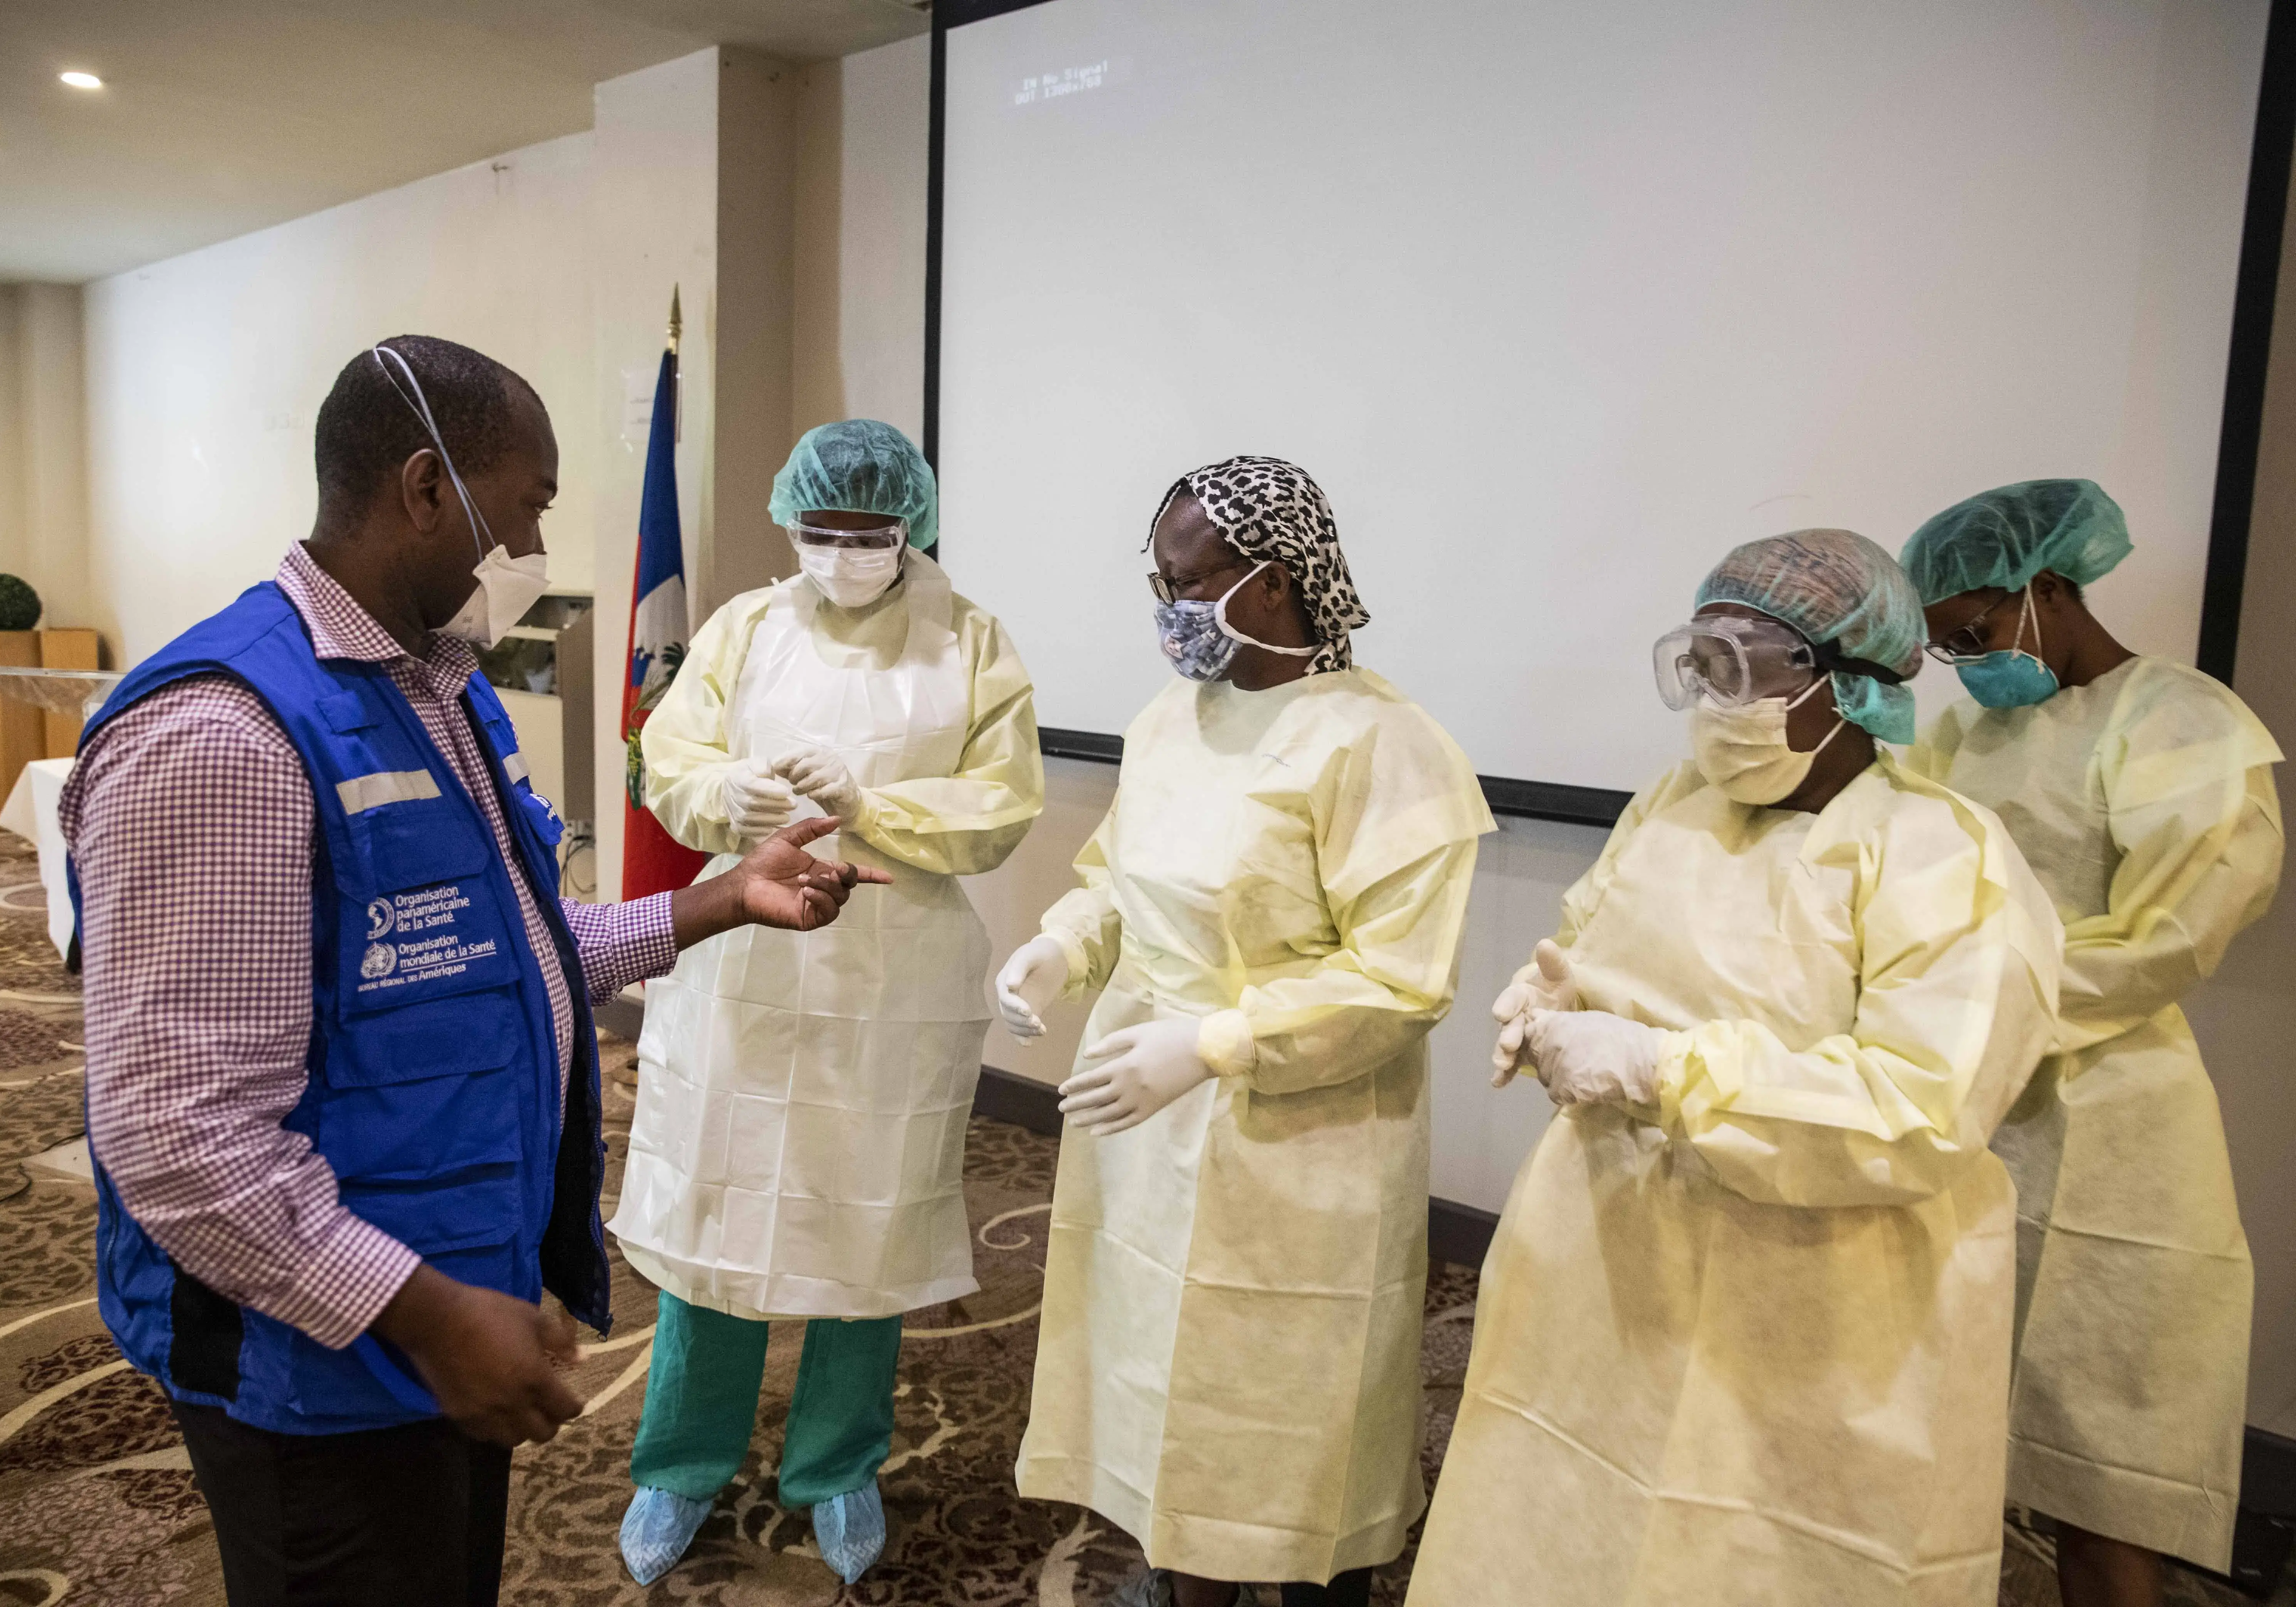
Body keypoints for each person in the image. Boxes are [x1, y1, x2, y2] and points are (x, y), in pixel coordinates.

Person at [63, 335, 888, 1607]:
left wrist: (718, 901)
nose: (536, 540)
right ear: (427, 488)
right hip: (315, 1356)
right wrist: (425, 1313)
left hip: (446, 1303)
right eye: (534, 504)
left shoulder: (442, 689)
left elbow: (503, 957)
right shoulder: (224, 737)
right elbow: (178, 1133)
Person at [1408, 528, 2063, 1607]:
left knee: (1756, 1557)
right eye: (1699, 663)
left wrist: (1666, 1071)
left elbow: (1919, 1111)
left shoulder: (1944, 859)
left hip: (1815, 1308)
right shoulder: (1677, 805)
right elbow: (1597, 930)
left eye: (1745, 667)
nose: (1714, 695)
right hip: (1609, 1262)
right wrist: (1555, 999)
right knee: (1566, 1514)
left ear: (1851, 684)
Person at [995, 456, 1492, 1607]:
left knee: (1295, 1399)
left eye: (1190, 583)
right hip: (1145, 1112)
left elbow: (1397, 981)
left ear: (1275, 585)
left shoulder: (1384, 747)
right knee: (1162, 1372)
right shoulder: (1174, 718)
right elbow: (1119, 877)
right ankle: (1184, 1574)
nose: (1169, 611)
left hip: (1302, 1134)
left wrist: (1218, 1044)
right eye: (1158, 583)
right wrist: (1064, 945)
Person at [607, 418, 1044, 1586]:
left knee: (868, 1215)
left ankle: (838, 1465)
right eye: (821, 531)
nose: (843, 551)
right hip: (747, 950)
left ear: (913, 529)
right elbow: (671, 757)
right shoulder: (747, 626)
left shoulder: (972, 642)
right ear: (788, 522)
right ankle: (682, 1463)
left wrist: (874, 803)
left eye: (867, 533)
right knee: (721, 1210)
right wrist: (727, 791)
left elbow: (1003, 806)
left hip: (896, 964)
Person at [1901, 480, 2284, 1606]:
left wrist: (1986, 998)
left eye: (1974, 633)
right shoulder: (1971, 727)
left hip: (2113, 1133)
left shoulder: (2180, 721)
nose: (1967, 664)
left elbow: (2172, 934)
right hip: (1967, 1116)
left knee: (2104, 1487)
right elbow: (1911, 872)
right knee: (1942, 1451)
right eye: (1946, 648)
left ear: (2050, 586)